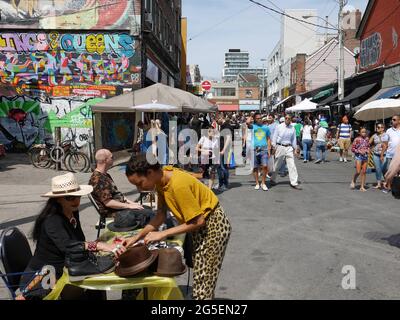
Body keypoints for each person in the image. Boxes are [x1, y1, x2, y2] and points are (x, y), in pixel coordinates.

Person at [124, 155, 231, 300]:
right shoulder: (162, 180)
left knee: (204, 281)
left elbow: (199, 221)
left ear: (150, 172)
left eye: (140, 183)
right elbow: (160, 215)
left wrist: (162, 234)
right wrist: (137, 237)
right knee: (200, 275)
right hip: (200, 227)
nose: (139, 189)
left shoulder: (177, 185)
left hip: (213, 226)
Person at [18, 173, 125, 300]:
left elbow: (79, 242)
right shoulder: (52, 220)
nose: (76, 201)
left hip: (66, 270)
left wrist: (106, 244)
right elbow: (69, 246)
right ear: (58, 199)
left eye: (77, 196)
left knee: (98, 281)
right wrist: (99, 245)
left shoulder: (73, 211)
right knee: (92, 286)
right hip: (44, 279)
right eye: (69, 197)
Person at [88, 149, 143, 218]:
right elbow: (108, 203)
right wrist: (129, 206)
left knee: (144, 209)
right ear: (105, 160)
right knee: (146, 214)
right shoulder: (98, 179)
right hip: (113, 213)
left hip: (119, 209)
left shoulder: (105, 175)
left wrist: (132, 203)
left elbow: (117, 194)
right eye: (112, 157)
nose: (113, 159)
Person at [271, 114, 302, 190]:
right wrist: (273, 147)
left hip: (289, 147)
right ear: (284, 119)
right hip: (280, 147)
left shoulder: (293, 128)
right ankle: (272, 179)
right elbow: (274, 137)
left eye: (289, 118)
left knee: (292, 165)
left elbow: (293, 139)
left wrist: (296, 149)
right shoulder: (279, 126)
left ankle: (294, 182)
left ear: (291, 119)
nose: (287, 119)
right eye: (286, 118)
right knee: (277, 165)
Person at [249, 112, 271, 191]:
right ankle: (257, 183)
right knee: (255, 167)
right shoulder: (253, 127)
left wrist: (269, 149)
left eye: (260, 118)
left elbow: (268, 139)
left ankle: (263, 183)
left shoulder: (266, 127)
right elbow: (247, 122)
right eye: (257, 118)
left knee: (265, 166)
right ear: (255, 119)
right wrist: (252, 115)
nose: (259, 119)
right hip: (254, 149)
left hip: (263, 149)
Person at [369, 123, 389, 189]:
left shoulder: (386, 135)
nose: (376, 128)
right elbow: (368, 143)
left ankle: (386, 182)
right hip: (375, 154)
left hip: (384, 155)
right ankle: (379, 183)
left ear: (382, 128)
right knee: (377, 169)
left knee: (384, 169)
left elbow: (385, 145)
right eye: (376, 127)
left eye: (378, 127)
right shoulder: (374, 135)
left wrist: (382, 155)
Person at [350, 128, 370, 192]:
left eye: (365, 132)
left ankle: (362, 186)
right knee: (358, 171)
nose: (364, 133)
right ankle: (353, 180)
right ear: (359, 133)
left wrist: (367, 150)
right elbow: (352, 149)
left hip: (365, 157)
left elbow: (368, 147)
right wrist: (359, 151)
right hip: (358, 157)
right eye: (362, 132)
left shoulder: (367, 139)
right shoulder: (357, 139)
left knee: (364, 172)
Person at [384, 115, 400, 192]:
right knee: (390, 171)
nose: (392, 121)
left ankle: (397, 187)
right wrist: (382, 154)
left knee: (398, 173)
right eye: (392, 119)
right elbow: (385, 143)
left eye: (394, 119)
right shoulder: (388, 131)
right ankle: (388, 186)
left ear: (399, 121)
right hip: (390, 154)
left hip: (399, 155)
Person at [217, 117, 232, 191]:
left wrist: (224, 150)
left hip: (225, 150)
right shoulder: (222, 126)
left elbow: (228, 139)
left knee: (224, 167)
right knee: (220, 167)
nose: (216, 121)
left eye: (217, 119)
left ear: (221, 118)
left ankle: (225, 184)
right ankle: (221, 183)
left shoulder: (227, 126)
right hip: (220, 149)